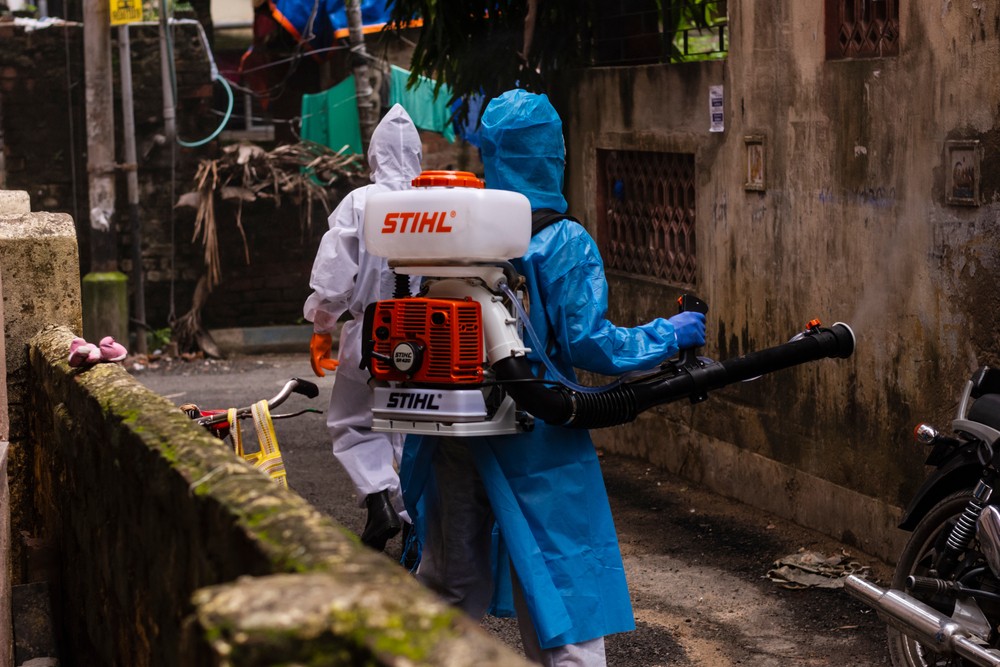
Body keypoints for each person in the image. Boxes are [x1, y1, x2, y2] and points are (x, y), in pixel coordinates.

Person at [399, 89, 707, 666]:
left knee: (449, 587)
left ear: (490, 151)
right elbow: (593, 343)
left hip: (452, 428)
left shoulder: (457, 230)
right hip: (537, 434)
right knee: (564, 594)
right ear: (554, 153)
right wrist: (671, 332)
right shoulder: (562, 242)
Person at [304, 103, 422, 553]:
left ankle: (380, 504)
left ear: (373, 156)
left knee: (354, 424)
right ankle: (414, 518)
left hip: (368, 336)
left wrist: (322, 326)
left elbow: (334, 277)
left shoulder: (360, 202)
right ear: (416, 155)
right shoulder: (438, 202)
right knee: (416, 428)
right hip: (429, 339)